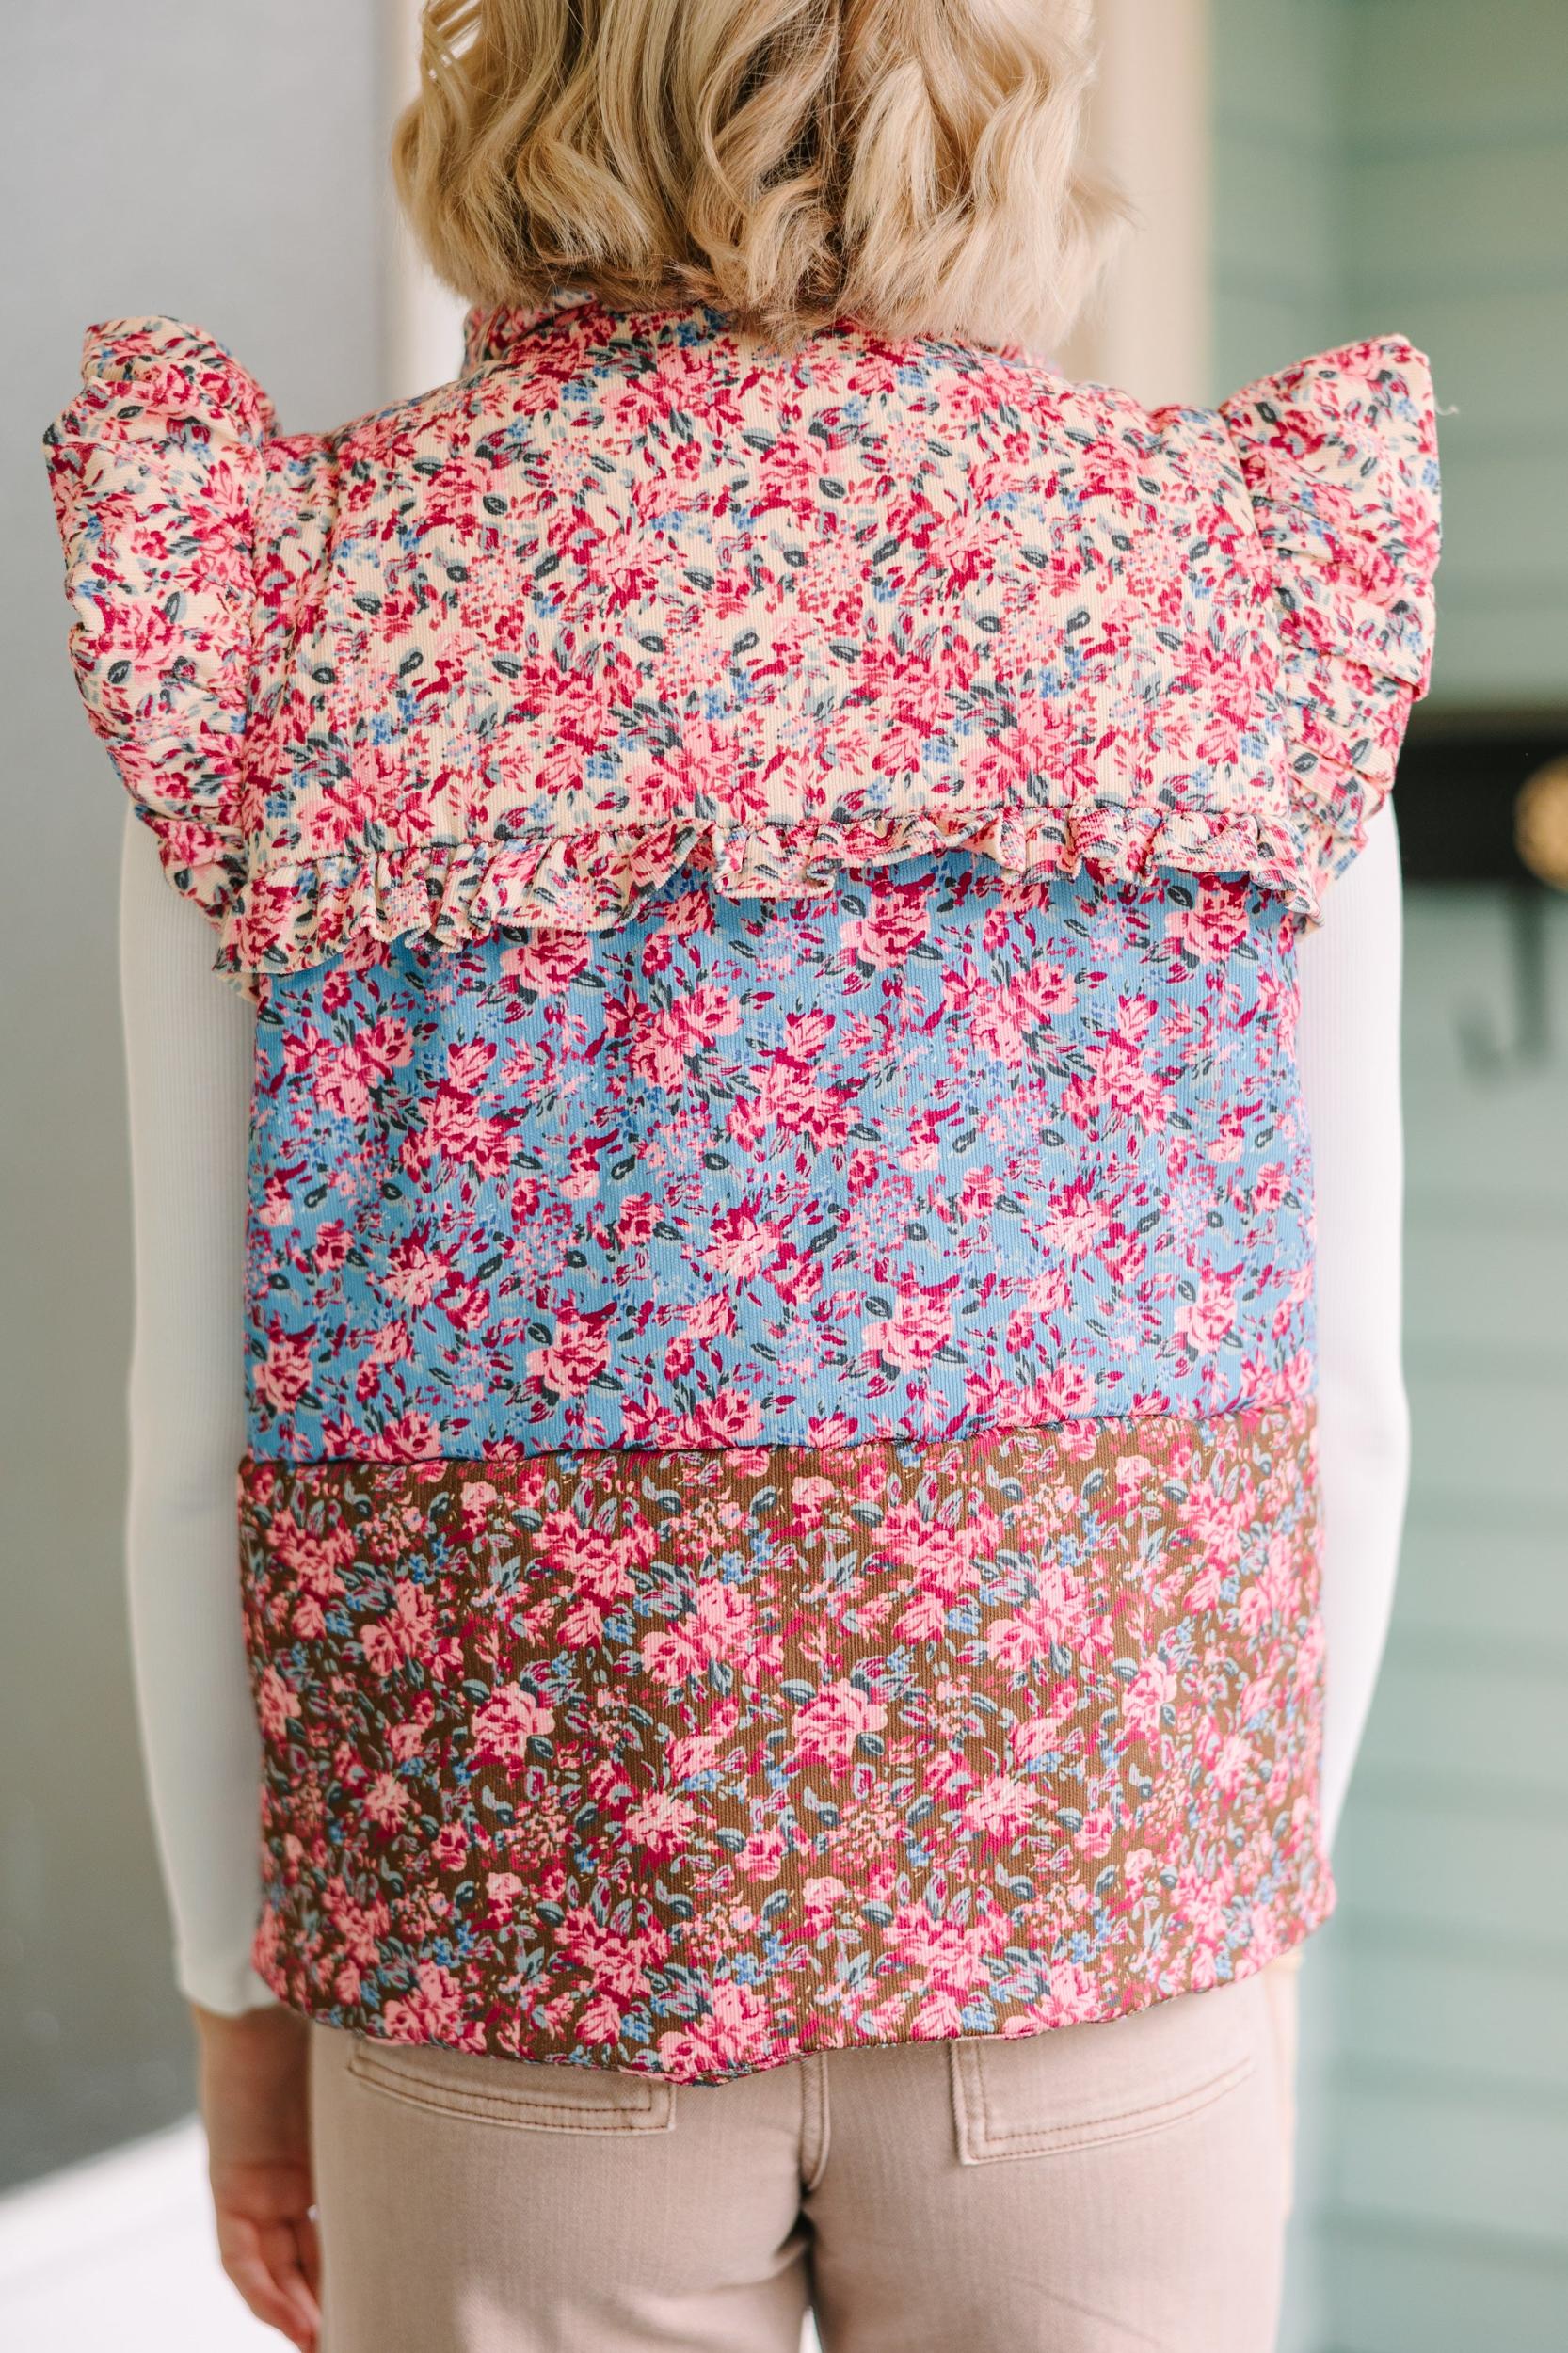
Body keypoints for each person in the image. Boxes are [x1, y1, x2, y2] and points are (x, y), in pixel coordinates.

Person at [44, 4, 1435, 2346]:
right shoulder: (1230, 585)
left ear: (513, 76)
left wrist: (236, 1999)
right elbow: (1348, 1405)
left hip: (508, 1934)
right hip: (1092, 1907)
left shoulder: (303, 598)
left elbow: (196, 1439)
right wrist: (1242, 1904)